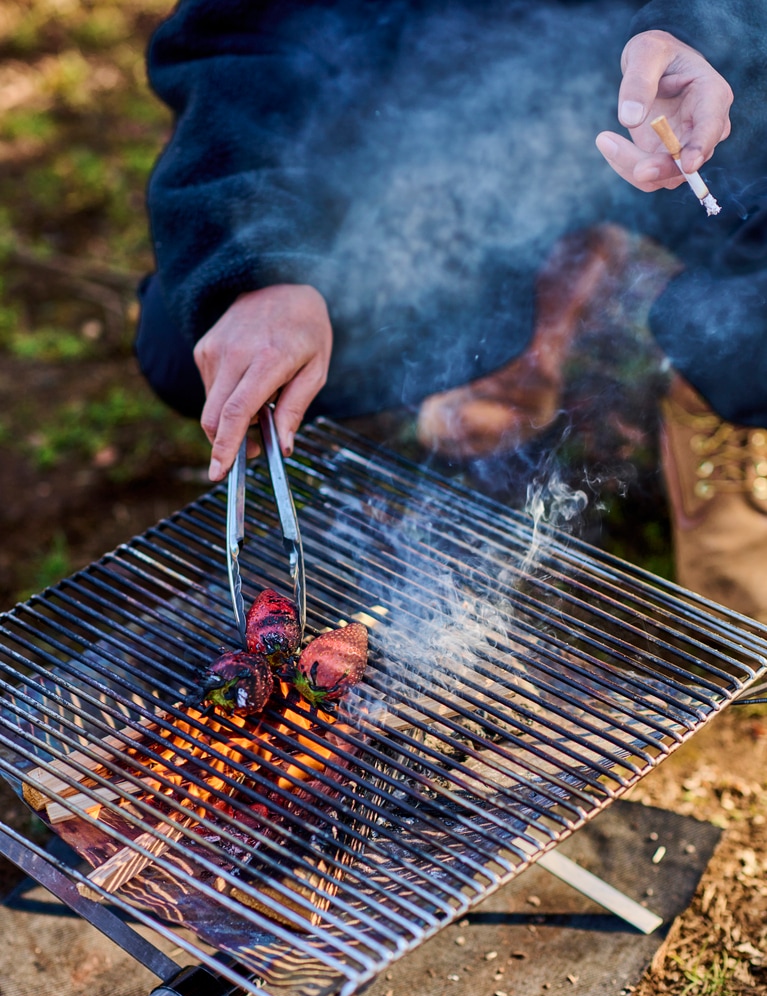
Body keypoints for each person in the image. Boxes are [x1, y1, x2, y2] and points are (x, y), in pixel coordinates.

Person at [135, 0, 767, 617]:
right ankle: (524, 309)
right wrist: (260, 271)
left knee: (752, 340)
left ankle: (714, 409)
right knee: (184, 339)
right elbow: (240, 35)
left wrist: (707, 33)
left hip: (672, 106)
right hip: (429, 129)